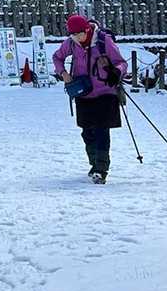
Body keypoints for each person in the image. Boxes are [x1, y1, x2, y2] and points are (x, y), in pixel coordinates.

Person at [52, 14, 128, 184]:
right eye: (72, 35)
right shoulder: (71, 43)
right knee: (87, 132)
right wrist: (63, 73)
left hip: (105, 91)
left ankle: (101, 169)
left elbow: (122, 63)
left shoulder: (103, 40)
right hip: (83, 92)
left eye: (79, 34)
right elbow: (57, 57)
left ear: (86, 30)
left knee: (102, 130)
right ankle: (94, 164)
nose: (77, 38)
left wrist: (116, 72)